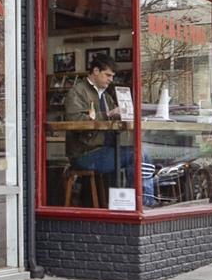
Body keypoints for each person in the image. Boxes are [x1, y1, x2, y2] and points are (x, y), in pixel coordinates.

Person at [62, 58, 153, 204]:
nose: (111, 79)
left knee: (140, 153)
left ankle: (136, 201)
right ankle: (142, 203)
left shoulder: (106, 95)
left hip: (104, 150)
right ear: (96, 71)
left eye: (112, 76)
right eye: (108, 75)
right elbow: (76, 121)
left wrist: (123, 116)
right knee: (137, 155)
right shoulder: (77, 92)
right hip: (85, 153)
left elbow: (110, 118)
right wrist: (109, 114)